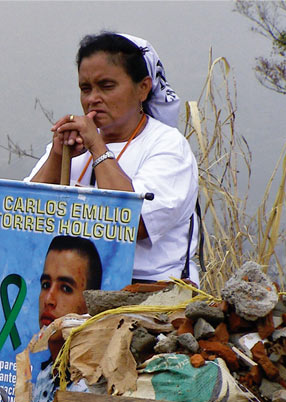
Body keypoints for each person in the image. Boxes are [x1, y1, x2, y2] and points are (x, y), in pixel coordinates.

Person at [25, 32, 200, 286]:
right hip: (72, 289)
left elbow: (134, 223)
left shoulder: (168, 146)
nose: (92, 98)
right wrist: (56, 155)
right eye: (85, 89)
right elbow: (23, 215)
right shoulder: (73, 145)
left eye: (106, 86)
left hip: (150, 291)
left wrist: (97, 147)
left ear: (143, 88)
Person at [31, 235, 101, 402]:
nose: (49, 299)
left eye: (65, 288)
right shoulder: (44, 377)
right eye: (45, 284)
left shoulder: (95, 388)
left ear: (90, 303)